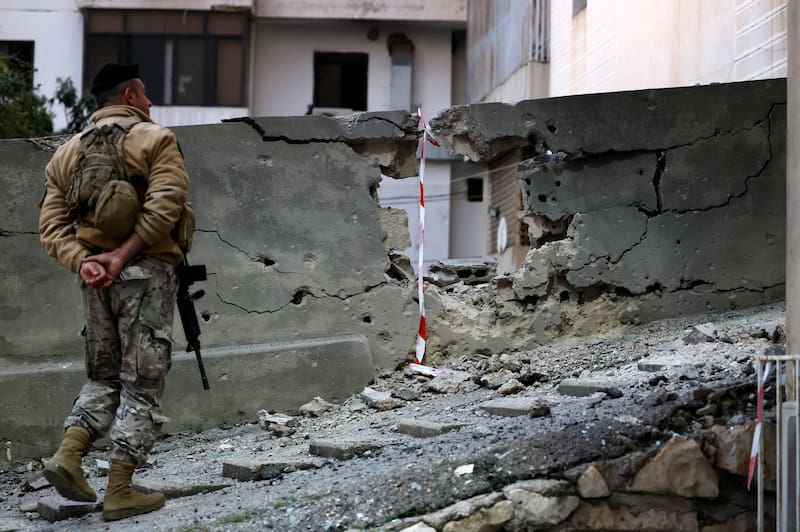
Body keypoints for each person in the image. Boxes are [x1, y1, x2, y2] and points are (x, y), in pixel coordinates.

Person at [38, 63, 190, 521]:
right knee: (142, 380)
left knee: (102, 376)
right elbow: (167, 203)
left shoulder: (65, 155)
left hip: (95, 280)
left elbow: (52, 227)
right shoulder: (155, 139)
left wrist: (86, 262)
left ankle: (69, 455)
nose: (148, 104)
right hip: (143, 274)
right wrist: (122, 256)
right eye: (144, 95)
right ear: (128, 94)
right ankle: (120, 490)